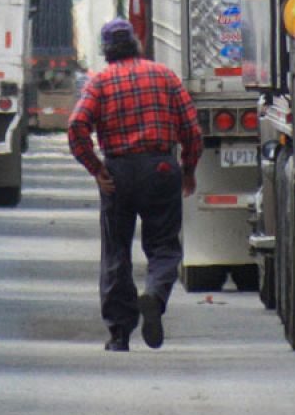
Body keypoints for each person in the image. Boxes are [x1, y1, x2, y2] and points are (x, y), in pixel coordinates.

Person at [68, 18, 202, 352]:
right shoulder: (164, 76)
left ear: (105, 50)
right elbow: (191, 129)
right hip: (160, 167)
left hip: (118, 174)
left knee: (116, 251)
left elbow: (76, 125)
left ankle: (119, 335)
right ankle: (154, 295)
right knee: (164, 246)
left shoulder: (99, 83)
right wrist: (188, 169)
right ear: (136, 42)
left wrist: (96, 168)